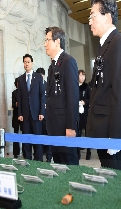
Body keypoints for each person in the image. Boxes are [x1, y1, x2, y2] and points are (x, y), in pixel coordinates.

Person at [86, 0, 121, 171]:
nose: (90, 21)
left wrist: (116, 138)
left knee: (120, 186)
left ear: (107, 17)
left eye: (93, 16)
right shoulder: (104, 46)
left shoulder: (119, 43)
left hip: (114, 134)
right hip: (104, 131)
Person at [44, 26, 79, 165]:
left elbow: (72, 96)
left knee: (69, 164)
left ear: (57, 41)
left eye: (47, 40)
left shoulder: (68, 61)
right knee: (59, 164)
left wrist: (71, 126)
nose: (45, 44)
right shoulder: (52, 66)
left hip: (64, 127)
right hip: (53, 126)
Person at [17, 54, 45, 161]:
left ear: (32, 63)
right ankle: (28, 162)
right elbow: (19, 99)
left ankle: (38, 162)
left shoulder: (38, 77)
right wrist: (19, 113)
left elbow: (42, 95)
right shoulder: (20, 79)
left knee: (37, 141)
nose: (26, 64)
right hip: (25, 116)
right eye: (24, 62)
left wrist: (42, 112)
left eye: (28, 62)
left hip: (37, 115)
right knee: (26, 141)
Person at [36, 67, 52, 162]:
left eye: (41, 76)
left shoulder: (48, 85)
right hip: (37, 115)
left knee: (47, 135)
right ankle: (40, 155)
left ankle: (49, 156)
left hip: (47, 115)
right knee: (39, 135)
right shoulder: (35, 86)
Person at [78, 69, 91, 160]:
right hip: (77, 112)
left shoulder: (87, 87)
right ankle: (77, 152)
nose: (82, 77)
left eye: (83, 76)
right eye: (80, 75)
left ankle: (88, 152)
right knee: (78, 133)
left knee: (87, 133)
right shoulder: (74, 86)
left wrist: (84, 102)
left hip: (85, 112)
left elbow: (90, 99)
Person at [12, 77, 23, 158]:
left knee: (25, 133)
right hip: (16, 115)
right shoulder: (14, 92)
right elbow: (13, 104)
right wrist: (17, 103)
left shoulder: (25, 92)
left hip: (24, 116)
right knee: (16, 133)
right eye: (17, 83)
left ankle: (25, 151)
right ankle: (16, 152)